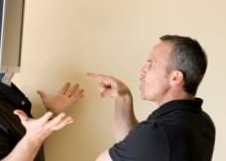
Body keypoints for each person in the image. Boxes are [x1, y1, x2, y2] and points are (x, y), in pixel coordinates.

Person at [87, 35, 215, 161]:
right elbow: (137, 149)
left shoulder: (160, 133)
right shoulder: (203, 123)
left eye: (150, 64)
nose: (142, 71)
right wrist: (123, 97)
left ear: (175, 78)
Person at [0, 77, 84, 161]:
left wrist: (52, 113)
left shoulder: (1, 103)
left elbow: (28, 150)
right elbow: (32, 141)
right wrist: (33, 139)